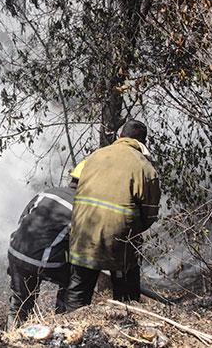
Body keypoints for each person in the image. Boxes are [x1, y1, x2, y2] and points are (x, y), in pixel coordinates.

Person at [64, 120, 161, 312]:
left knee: (78, 293)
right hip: (120, 241)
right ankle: (126, 324)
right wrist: (131, 230)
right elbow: (150, 215)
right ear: (142, 143)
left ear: (120, 137)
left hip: (83, 235)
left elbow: (74, 189)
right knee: (127, 297)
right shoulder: (146, 169)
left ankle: (69, 327)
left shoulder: (94, 156)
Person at [6, 161, 85, 329]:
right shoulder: (83, 207)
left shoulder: (47, 193)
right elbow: (81, 246)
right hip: (42, 261)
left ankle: (11, 336)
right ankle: (62, 322)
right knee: (75, 279)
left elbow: (23, 220)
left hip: (16, 250)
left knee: (20, 304)